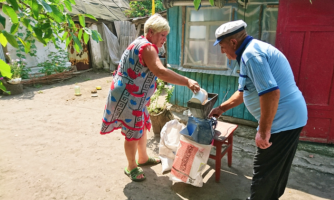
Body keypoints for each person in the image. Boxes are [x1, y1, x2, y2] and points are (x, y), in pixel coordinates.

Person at [209, 20, 308, 200]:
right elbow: (242, 92)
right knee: (276, 170)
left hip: (284, 120)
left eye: (222, 46)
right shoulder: (249, 52)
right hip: (291, 117)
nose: (222, 51)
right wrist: (220, 109)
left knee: (264, 172)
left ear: (233, 42)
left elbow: (271, 94)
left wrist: (263, 131)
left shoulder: (252, 55)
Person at [100, 14, 200, 182]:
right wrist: (187, 81)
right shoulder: (147, 47)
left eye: (166, 36)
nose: (165, 39)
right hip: (129, 96)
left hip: (133, 97)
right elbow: (160, 72)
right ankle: (131, 166)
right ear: (151, 32)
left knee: (140, 127)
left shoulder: (141, 42)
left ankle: (143, 158)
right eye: (163, 35)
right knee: (132, 133)